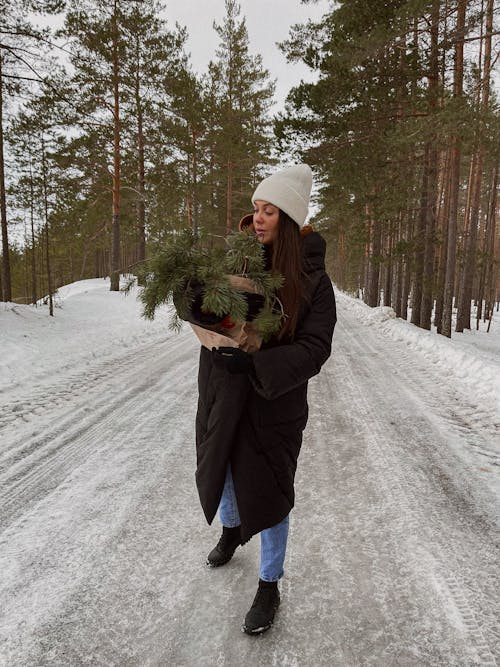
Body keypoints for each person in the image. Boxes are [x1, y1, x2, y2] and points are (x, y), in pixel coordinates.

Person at [187, 164, 336, 635]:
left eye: (269, 210)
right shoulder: (240, 262)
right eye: (255, 209)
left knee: (270, 488)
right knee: (224, 466)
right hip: (222, 388)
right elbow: (208, 305)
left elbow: (315, 349)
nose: (258, 218)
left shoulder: (313, 279)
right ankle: (232, 529)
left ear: (289, 219)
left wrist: (257, 364)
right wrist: (195, 301)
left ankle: (269, 582)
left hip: (274, 402)